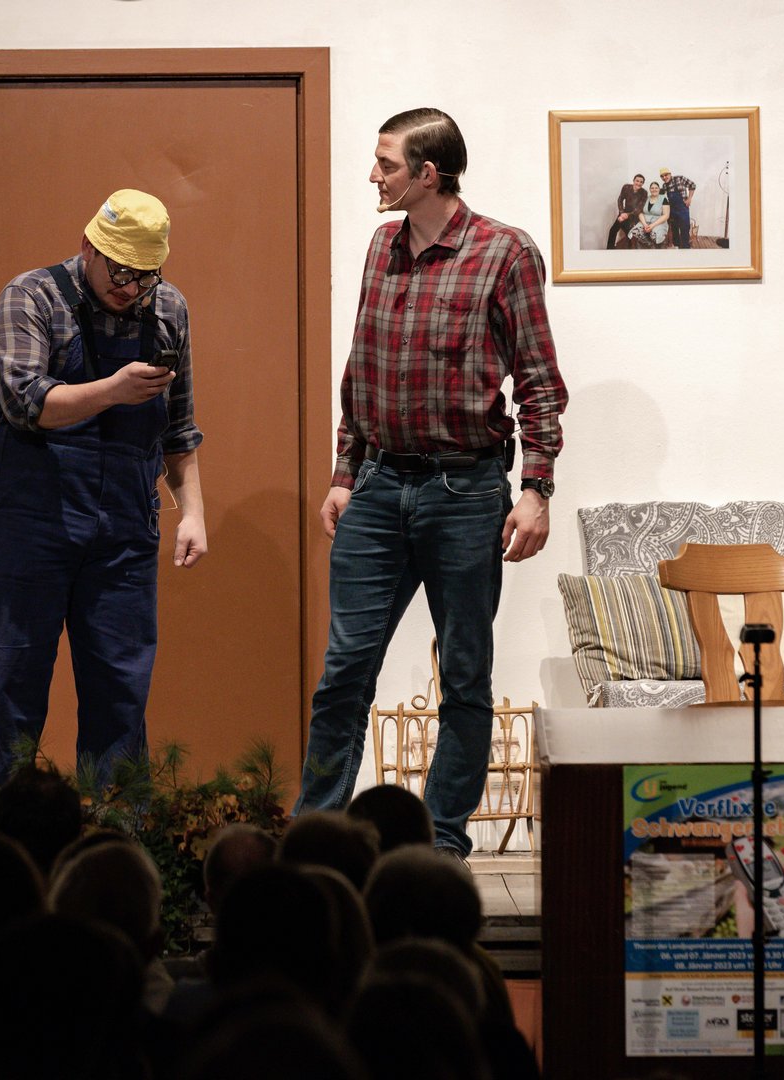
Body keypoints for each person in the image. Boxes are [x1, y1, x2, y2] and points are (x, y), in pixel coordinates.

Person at [295, 108, 567, 859]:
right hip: (378, 484)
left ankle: (440, 843)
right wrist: (346, 472)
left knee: (465, 675)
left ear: (427, 173)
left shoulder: (504, 252)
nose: (373, 176)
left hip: (465, 492)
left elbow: (539, 383)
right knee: (343, 672)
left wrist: (537, 487)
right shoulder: (382, 247)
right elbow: (363, 369)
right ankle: (314, 834)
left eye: (385, 164)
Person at [0, 189, 206, 823]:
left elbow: (179, 424)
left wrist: (192, 512)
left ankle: (117, 854)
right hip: (33, 525)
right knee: (11, 692)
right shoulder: (32, 297)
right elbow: (23, 402)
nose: (131, 288)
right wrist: (111, 390)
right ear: (89, 248)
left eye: (145, 274)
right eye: (121, 272)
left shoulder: (168, 308)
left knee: (120, 697)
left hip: (125, 529)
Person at [658, 167, 697, 248]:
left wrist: (689, 198)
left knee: (685, 228)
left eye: (666, 175)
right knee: (674, 229)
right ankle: (676, 246)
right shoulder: (664, 186)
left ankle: (685, 247)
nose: (664, 177)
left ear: (670, 174)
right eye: (662, 176)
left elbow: (692, 185)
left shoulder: (680, 178)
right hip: (672, 210)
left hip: (683, 208)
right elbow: (660, 196)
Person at [605, 172, 646, 248]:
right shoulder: (626, 187)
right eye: (637, 181)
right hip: (623, 213)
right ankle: (609, 249)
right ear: (633, 181)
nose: (639, 183)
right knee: (613, 230)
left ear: (643, 183)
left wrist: (627, 215)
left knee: (629, 234)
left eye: (641, 182)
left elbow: (639, 208)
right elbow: (620, 199)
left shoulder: (644, 192)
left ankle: (629, 251)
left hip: (634, 216)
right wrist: (621, 212)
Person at [627, 180, 669, 247]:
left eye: (656, 188)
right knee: (635, 232)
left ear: (659, 189)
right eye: (652, 188)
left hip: (658, 222)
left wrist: (652, 225)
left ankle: (655, 244)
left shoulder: (664, 199)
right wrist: (645, 224)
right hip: (645, 221)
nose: (654, 189)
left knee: (654, 235)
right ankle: (649, 244)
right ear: (650, 189)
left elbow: (666, 215)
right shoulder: (645, 198)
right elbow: (640, 212)